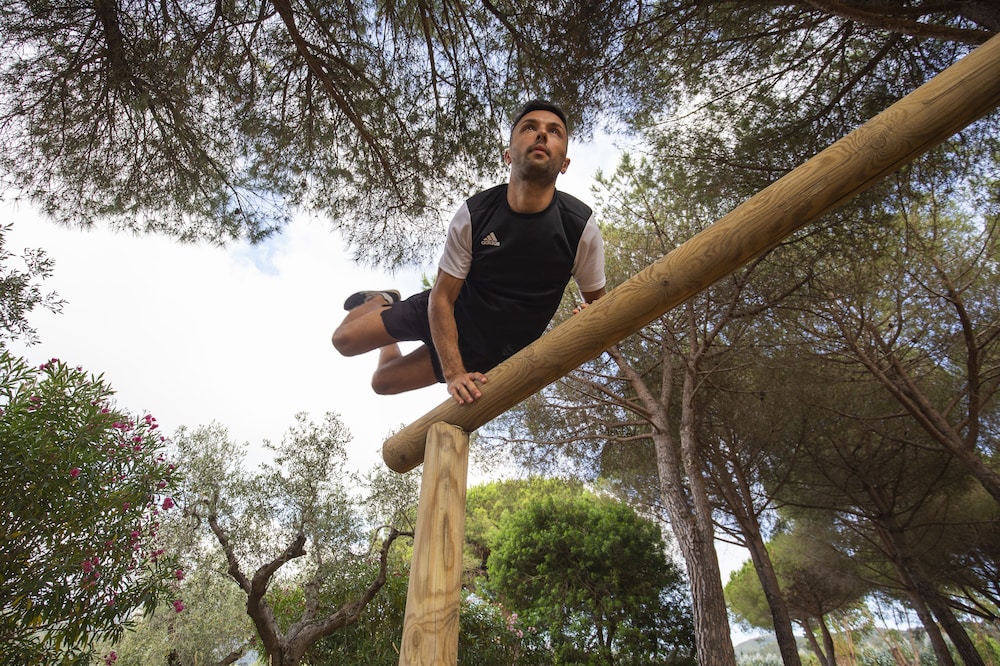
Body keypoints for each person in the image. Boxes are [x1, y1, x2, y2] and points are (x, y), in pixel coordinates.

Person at [332, 100, 606, 406]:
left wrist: (589, 319)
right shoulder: (475, 214)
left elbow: (600, 307)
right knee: (343, 341)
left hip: (484, 349)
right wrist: (453, 373)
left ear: (565, 164)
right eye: (530, 127)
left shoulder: (579, 227)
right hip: (444, 312)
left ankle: (387, 323)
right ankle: (379, 301)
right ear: (508, 155)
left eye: (554, 132)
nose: (542, 134)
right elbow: (442, 297)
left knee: (382, 383)